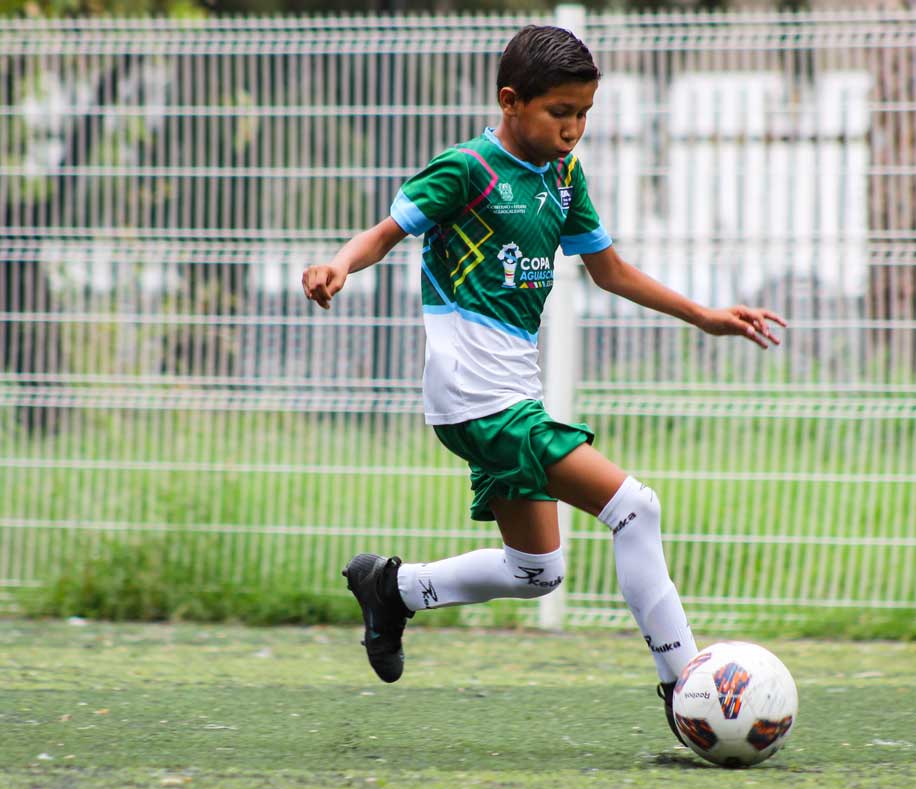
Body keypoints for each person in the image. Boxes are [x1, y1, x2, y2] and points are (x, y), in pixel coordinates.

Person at [301, 24, 785, 744]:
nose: (574, 128)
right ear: (511, 101)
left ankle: (391, 588)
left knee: (536, 572)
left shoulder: (564, 178)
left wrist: (704, 315)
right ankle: (683, 686)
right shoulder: (469, 170)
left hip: (508, 398)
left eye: (585, 114)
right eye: (561, 112)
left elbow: (611, 271)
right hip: (475, 397)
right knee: (634, 508)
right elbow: (387, 231)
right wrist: (338, 264)